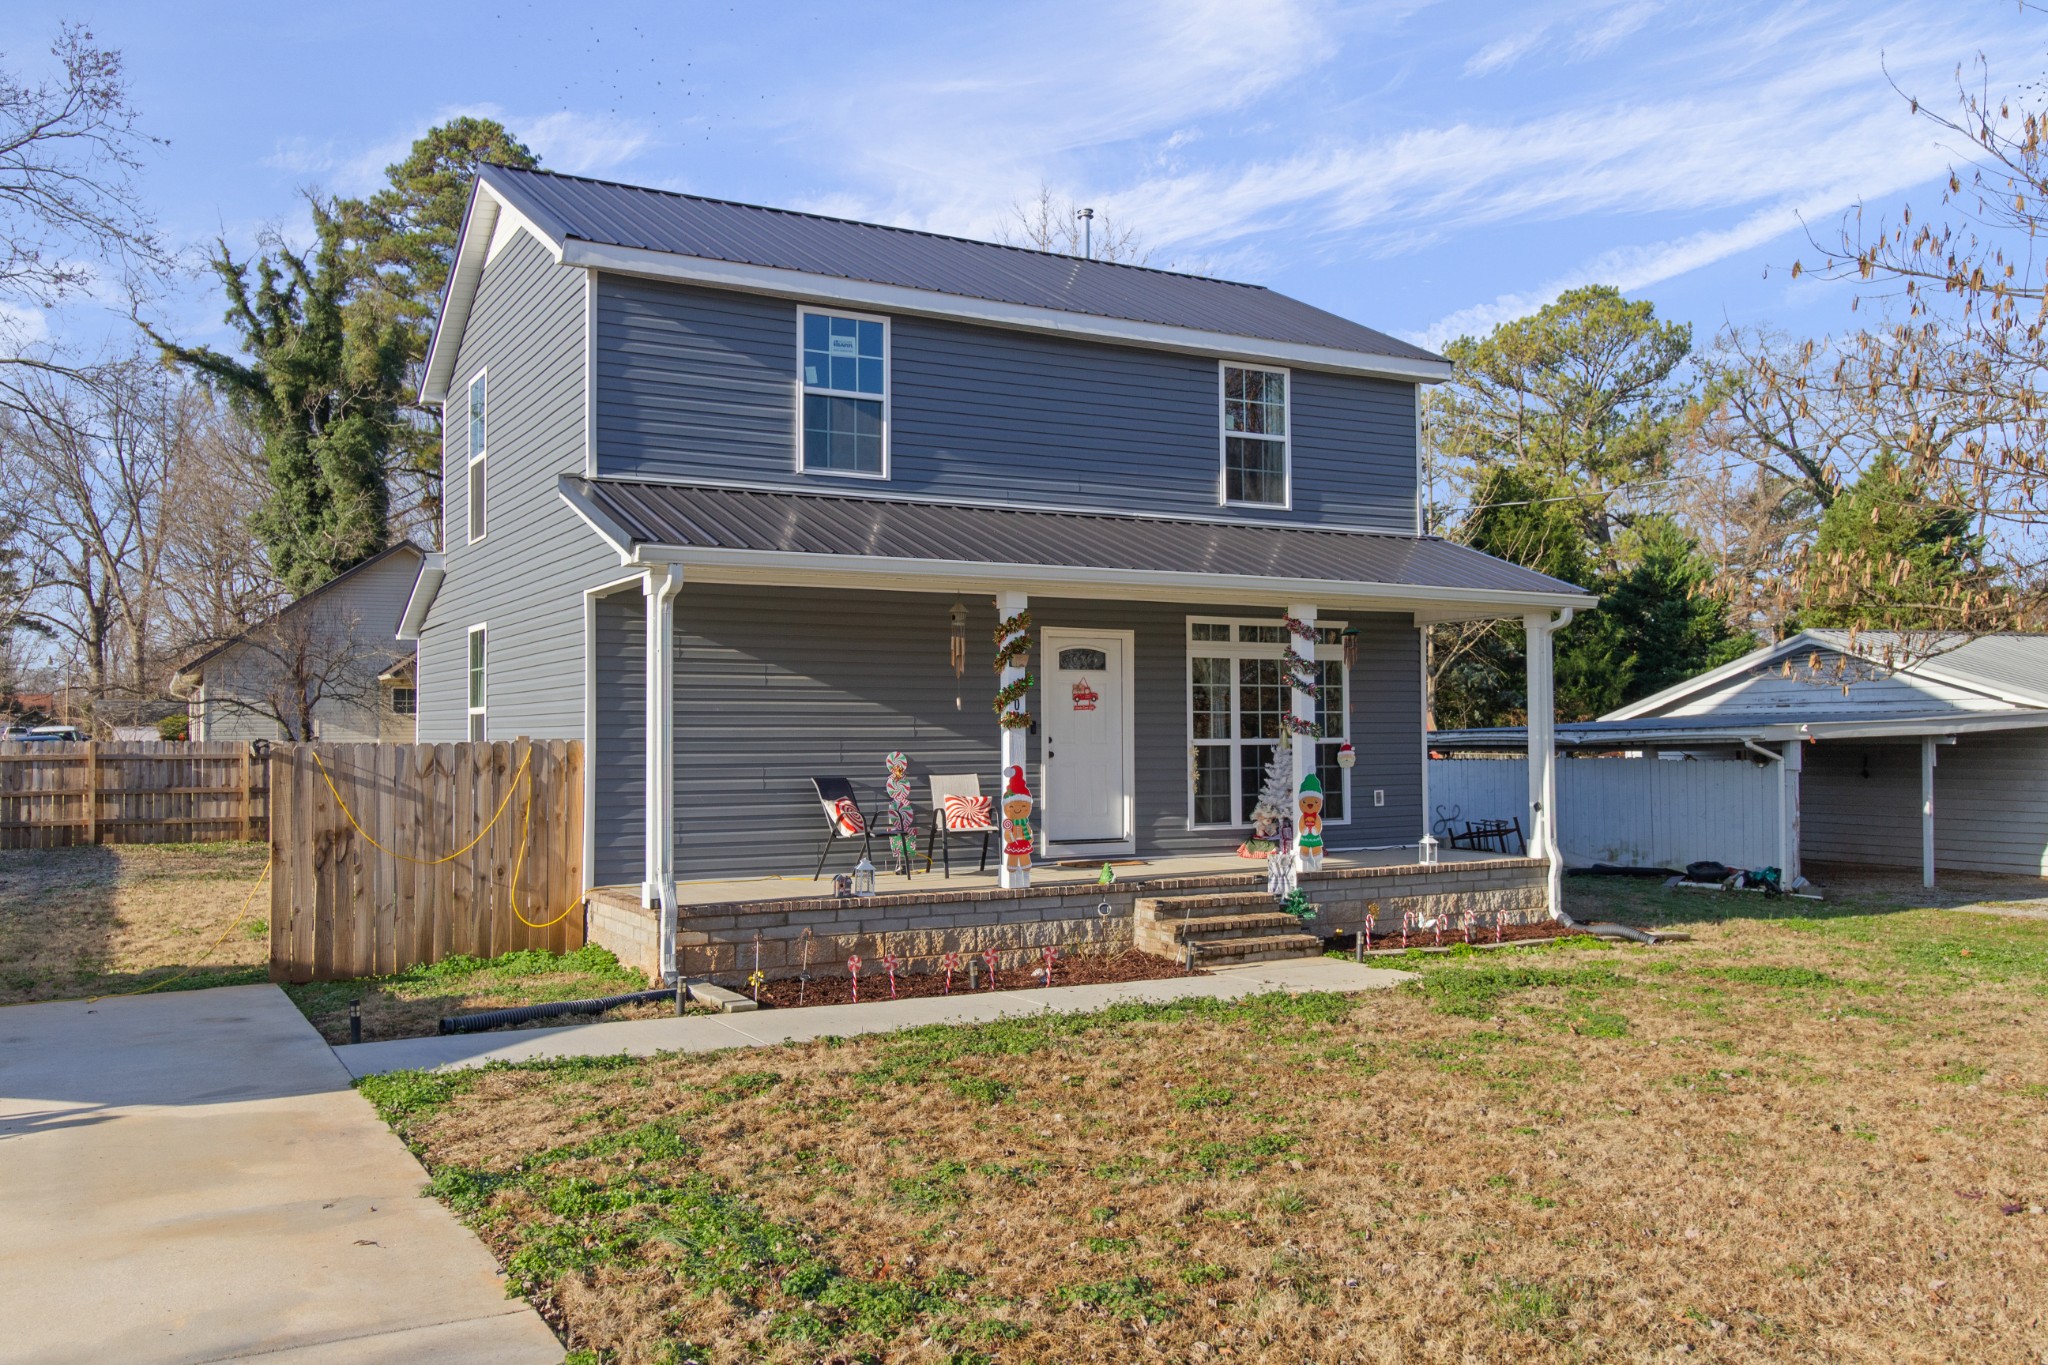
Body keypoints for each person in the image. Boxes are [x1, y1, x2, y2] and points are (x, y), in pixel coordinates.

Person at [1000, 765, 1034, 876]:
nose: (1018, 809)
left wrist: (1030, 837)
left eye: (1024, 806)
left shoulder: (1024, 823)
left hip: (1023, 841)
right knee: (1012, 855)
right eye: (1012, 807)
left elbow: (1028, 832)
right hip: (1013, 841)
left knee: (1024, 855)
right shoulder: (1010, 824)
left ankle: (1026, 866)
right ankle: (1011, 867)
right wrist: (1009, 834)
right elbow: (1007, 835)